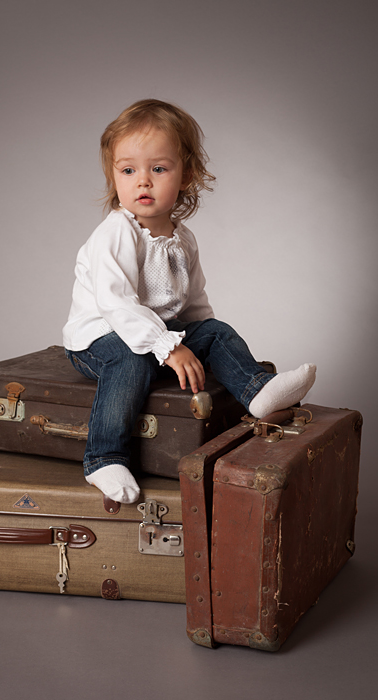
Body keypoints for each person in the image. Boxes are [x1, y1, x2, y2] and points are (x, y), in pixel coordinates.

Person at [63, 99, 316, 504]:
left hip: (157, 335)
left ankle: (258, 391)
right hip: (101, 337)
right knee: (129, 361)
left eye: (158, 169)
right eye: (128, 171)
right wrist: (169, 347)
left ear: (187, 175)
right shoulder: (115, 233)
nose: (143, 182)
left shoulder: (183, 239)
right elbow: (117, 304)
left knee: (215, 331)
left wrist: (199, 342)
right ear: (113, 175)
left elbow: (193, 301)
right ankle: (103, 458)